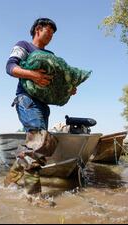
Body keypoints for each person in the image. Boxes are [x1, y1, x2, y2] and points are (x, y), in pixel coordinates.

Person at [4, 18, 76, 202]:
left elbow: (55, 81)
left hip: (43, 105)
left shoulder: (50, 54)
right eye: (48, 32)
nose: (51, 36)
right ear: (38, 29)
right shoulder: (24, 46)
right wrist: (33, 75)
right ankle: (34, 197)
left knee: (39, 145)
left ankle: (8, 184)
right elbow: (10, 67)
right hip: (26, 100)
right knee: (40, 142)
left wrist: (68, 88)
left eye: (53, 34)